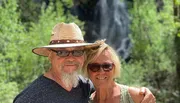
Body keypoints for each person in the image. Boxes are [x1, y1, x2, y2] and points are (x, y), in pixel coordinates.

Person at [13, 22, 155, 103]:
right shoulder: (30, 98)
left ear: (83, 57)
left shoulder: (84, 86)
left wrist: (138, 93)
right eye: (62, 52)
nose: (70, 58)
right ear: (50, 55)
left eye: (77, 51)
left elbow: (107, 85)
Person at [83, 41, 156, 103]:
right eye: (94, 67)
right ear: (87, 69)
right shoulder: (86, 100)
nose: (101, 71)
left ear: (115, 68)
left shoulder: (136, 97)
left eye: (107, 66)